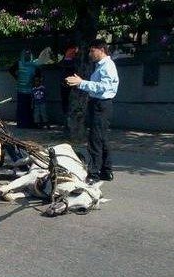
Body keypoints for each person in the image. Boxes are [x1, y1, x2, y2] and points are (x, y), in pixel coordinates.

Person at [65, 39, 119, 183]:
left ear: (101, 50)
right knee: (102, 138)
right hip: (99, 104)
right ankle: (106, 171)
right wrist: (81, 82)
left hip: (101, 105)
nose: (90, 54)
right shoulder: (101, 66)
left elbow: (104, 87)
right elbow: (99, 85)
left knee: (95, 140)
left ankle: (94, 174)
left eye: (92, 50)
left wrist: (81, 83)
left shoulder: (107, 66)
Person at [9, 49, 39, 128]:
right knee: (21, 107)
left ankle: (30, 123)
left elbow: (38, 74)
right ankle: (21, 124)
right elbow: (11, 70)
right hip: (21, 89)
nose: (27, 56)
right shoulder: (19, 63)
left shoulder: (34, 65)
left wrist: (36, 81)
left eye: (28, 54)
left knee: (30, 107)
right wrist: (17, 77)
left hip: (31, 89)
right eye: (26, 54)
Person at [59, 43, 79, 118]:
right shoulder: (72, 52)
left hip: (68, 82)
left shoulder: (70, 52)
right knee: (68, 103)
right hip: (68, 82)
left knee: (66, 103)